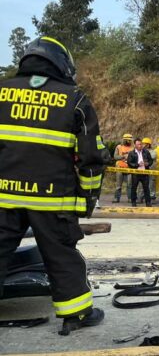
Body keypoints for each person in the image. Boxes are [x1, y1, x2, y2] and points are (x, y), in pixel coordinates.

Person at [0, 37, 108, 335]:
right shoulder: (74, 99)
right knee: (61, 256)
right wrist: (86, 200)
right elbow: (92, 159)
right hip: (51, 201)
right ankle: (76, 316)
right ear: (61, 64)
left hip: (2, 198)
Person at [126, 138, 154, 207]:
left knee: (146, 188)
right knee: (134, 187)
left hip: (144, 172)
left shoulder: (146, 152)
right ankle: (133, 202)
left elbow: (151, 161)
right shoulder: (131, 153)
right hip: (136, 173)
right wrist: (137, 164)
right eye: (138, 144)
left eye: (141, 144)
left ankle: (148, 202)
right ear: (135, 145)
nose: (140, 146)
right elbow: (129, 163)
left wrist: (147, 164)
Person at [112, 133, 134, 203]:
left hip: (129, 168)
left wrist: (130, 158)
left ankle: (130, 198)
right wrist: (122, 157)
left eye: (130, 140)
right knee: (118, 185)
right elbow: (115, 156)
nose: (129, 142)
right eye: (128, 140)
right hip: (120, 168)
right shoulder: (119, 147)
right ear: (124, 140)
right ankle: (116, 198)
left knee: (130, 185)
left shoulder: (133, 148)